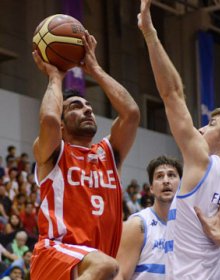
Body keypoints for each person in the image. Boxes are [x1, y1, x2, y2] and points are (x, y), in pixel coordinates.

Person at [138, 1, 220, 279]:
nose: (202, 129)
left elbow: (172, 94)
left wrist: (149, 33)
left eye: (211, 124)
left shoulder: (202, 163)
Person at [30, 29, 140, 280]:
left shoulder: (109, 153)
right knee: (106, 266)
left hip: (91, 266)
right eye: (76, 107)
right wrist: (55, 77)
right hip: (54, 254)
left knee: (106, 267)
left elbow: (131, 113)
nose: (87, 110)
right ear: (61, 124)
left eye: (89, 107)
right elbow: (48, 118)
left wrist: (95, 69)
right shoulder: (54, 151)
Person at [114, 155, 182, 280]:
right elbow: (120, 275)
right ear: (151, 188)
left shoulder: (189, 226)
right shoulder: (137, 225)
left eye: (171, 175)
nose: (166, 180)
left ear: (181, 184)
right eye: (159, 176)